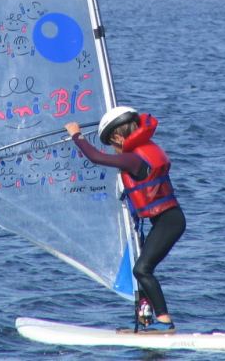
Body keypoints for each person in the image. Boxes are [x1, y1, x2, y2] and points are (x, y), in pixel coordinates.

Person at [65, 106, 185, 332]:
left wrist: (76, 135)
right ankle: (145, 320)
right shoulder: (144, 151)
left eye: (111, 143)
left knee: (142, 269)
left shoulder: (133, 159)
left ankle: (165, 322)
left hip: (169, 221)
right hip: (165, 220)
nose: (112, 148)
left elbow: (95, 157)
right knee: (140, 266)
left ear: (118, 138)